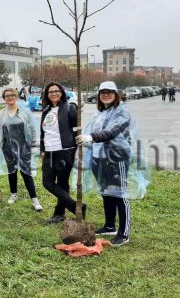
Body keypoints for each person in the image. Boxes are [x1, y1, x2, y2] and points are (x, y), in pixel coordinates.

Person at [75, 81, 134, 247]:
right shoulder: (100, 113)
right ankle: (110, 225)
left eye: (110, 92)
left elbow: (112, 132)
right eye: (103, 92)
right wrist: (85, 141)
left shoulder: (122, 112)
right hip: (99, 157)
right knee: (107, 192)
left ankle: (124, 233)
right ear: (99, 96)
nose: (106, 95)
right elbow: (95, 133)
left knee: (120, 194)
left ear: (116, 94)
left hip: (116, 158)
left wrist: (91, 137)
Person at [40, 82, 85, 224]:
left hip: (65, 151)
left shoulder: (70, 108)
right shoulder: (46, 110)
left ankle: (59, 213)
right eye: (50, 91)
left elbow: (77, 130)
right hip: (49, 151)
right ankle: (74, 206)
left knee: (62, 182)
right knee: (47, 182)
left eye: (56, 91)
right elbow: (43, 132)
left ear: (62, 93)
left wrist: (77, 149)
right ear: (47, 95)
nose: (54, 93)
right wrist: (42, 150)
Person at [0, 87, 42, 211]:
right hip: (7, 147)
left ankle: (34, 199)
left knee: (26, 173)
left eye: (12, 95)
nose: (10, 97)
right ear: (4, 98)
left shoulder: (25, 112)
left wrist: (34, 144)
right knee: (12, 171)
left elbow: (33, 129)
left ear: (16, 97)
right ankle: (13, 193)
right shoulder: (0, 115)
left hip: (24, 147)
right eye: (7, 95)